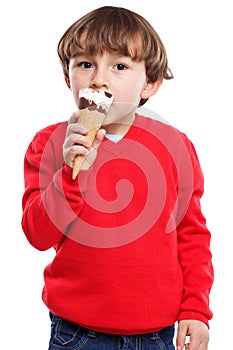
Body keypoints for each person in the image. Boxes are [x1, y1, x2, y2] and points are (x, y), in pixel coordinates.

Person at [21, 6, 214, 350]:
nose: (99, 78)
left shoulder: (176, 146)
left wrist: (196, 309)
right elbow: (37, 235)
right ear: (68, 79)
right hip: (76, 331)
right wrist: (70, 172)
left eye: (120, 66)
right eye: (85, 64)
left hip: (157, 332)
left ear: (150, 84)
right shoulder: (48, 143)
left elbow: (192, 235)